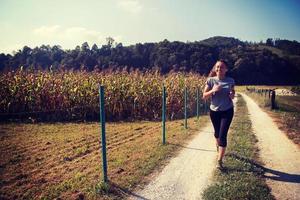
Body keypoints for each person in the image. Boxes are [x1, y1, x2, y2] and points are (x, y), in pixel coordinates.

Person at [202, 60, 235, 170]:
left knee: (222, 135)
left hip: (227, 111)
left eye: (222, 67)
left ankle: (219, 161)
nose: (219, 69)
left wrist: (232, 95)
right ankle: (219, 147)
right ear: (215, 69)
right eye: (217, 67)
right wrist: (213, 90)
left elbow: (233, 93)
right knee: (217, 134)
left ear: (226, 69)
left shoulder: (230, 81)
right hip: (214, 112)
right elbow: (204, 96)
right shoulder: (210, 80)